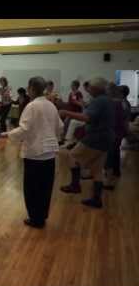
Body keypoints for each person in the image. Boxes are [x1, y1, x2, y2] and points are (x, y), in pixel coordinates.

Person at [1, 77, 64, 228]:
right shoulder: (51, 105)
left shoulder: (32, 106)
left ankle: (35, 218)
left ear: (31, 88)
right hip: (49, 153)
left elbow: (24, 129)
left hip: (35, 153)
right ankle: (41, 216)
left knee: (32, 187)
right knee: (45, 187)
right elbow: (60, 126)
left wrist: (7, 134)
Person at [59, 77, 115, 209]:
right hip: (107, 138)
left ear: (96, 88)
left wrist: (66, 112)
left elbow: (86, 117)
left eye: (89, 86)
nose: (88, 89)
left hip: (96, 137)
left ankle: (75, 185)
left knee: (71, 156)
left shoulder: (99, 100)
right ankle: (96, 199)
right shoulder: (107, 100)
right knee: (97, 170)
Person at [103, 85, 128, 189]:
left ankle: (109, 182)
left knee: (110, 155)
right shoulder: (124, 103)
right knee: (115, 153)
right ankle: (115, 172)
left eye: (108, 90)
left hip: (114, 132)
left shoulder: (116, 103)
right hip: (118, 132)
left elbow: (114, 120)